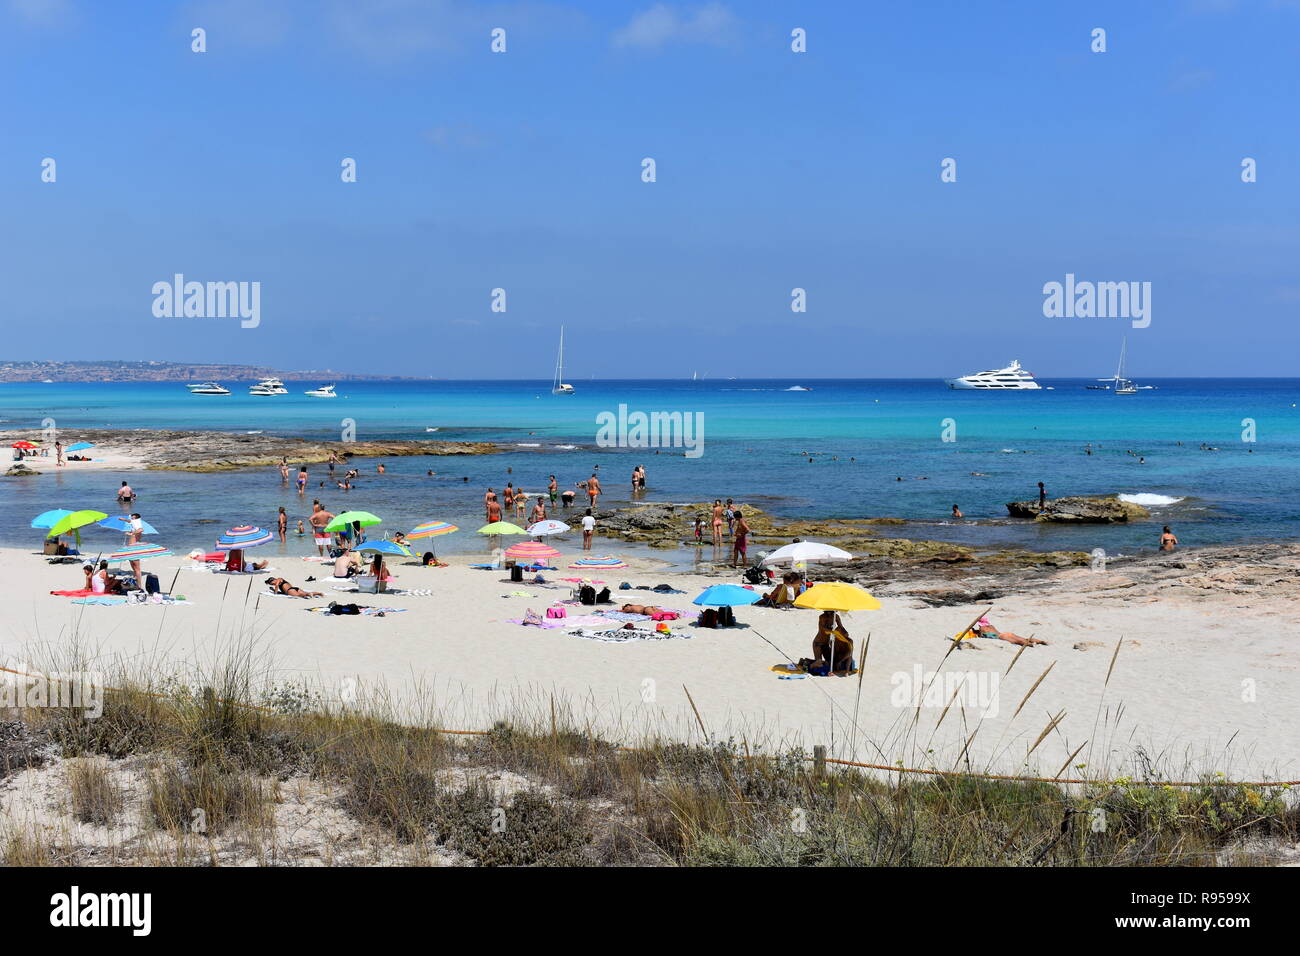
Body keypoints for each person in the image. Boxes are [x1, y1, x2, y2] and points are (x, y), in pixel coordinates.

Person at [965, 617, 1047, 647]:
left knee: (1018, 641)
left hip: (1001, 637)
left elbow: (982, 635)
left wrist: (975, 632)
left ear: (979, 624)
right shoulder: (991, 626)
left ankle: (1030, 645)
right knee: (1021, 638)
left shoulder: (981, 628)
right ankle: (1039, 641)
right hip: (1004, 633)